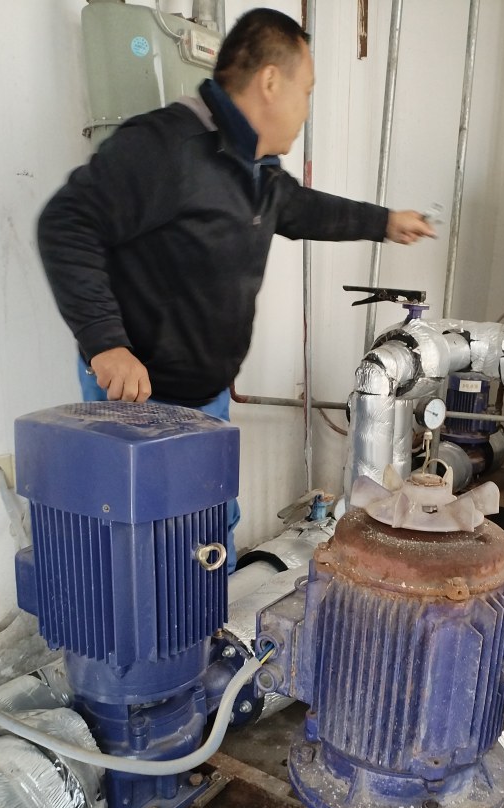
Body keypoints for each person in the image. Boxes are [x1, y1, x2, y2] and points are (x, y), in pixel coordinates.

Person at [37, 7, 435, 568]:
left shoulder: (255, 170)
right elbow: (67, 222)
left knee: (207, 536)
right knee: (145, 556)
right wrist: (105, 343)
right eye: (306, 91)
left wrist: (384, 222)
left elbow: (301, 208)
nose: (306, 108)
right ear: (270, 81)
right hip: (140, 401)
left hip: (206, 397)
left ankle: (202, 619)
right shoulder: (166, 146)